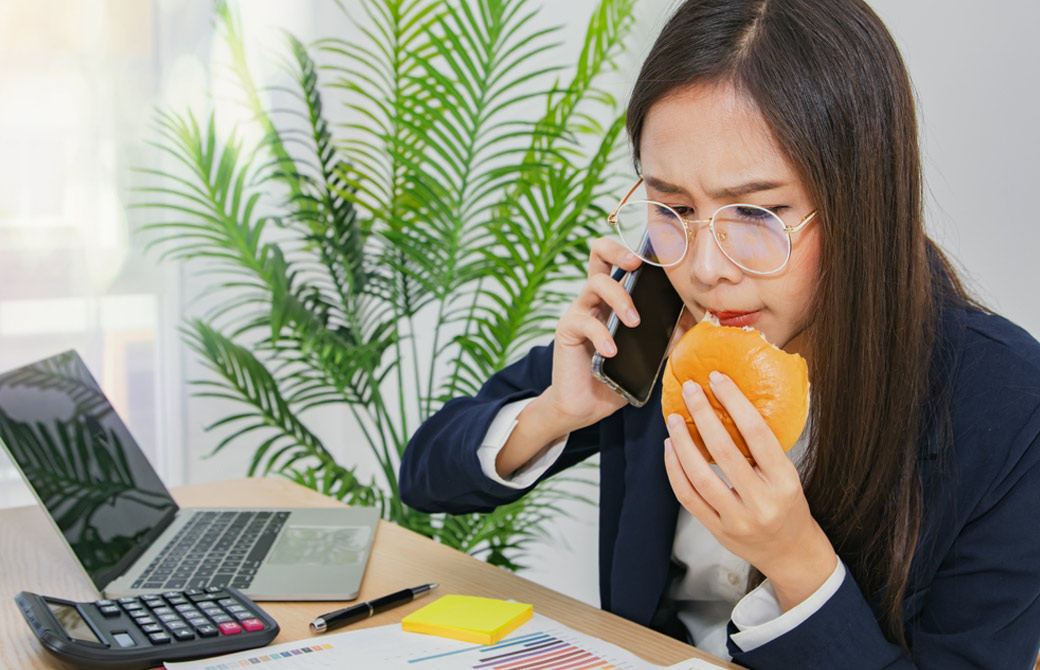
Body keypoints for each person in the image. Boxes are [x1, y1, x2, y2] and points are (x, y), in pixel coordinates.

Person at [399, 0, 1040, 667]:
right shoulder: (653, 307)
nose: (705, 269)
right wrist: (557, 411)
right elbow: (426, 476)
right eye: (673, 206)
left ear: (862, 200)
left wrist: (798, 563)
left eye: (757, 212)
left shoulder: (1009, 405)